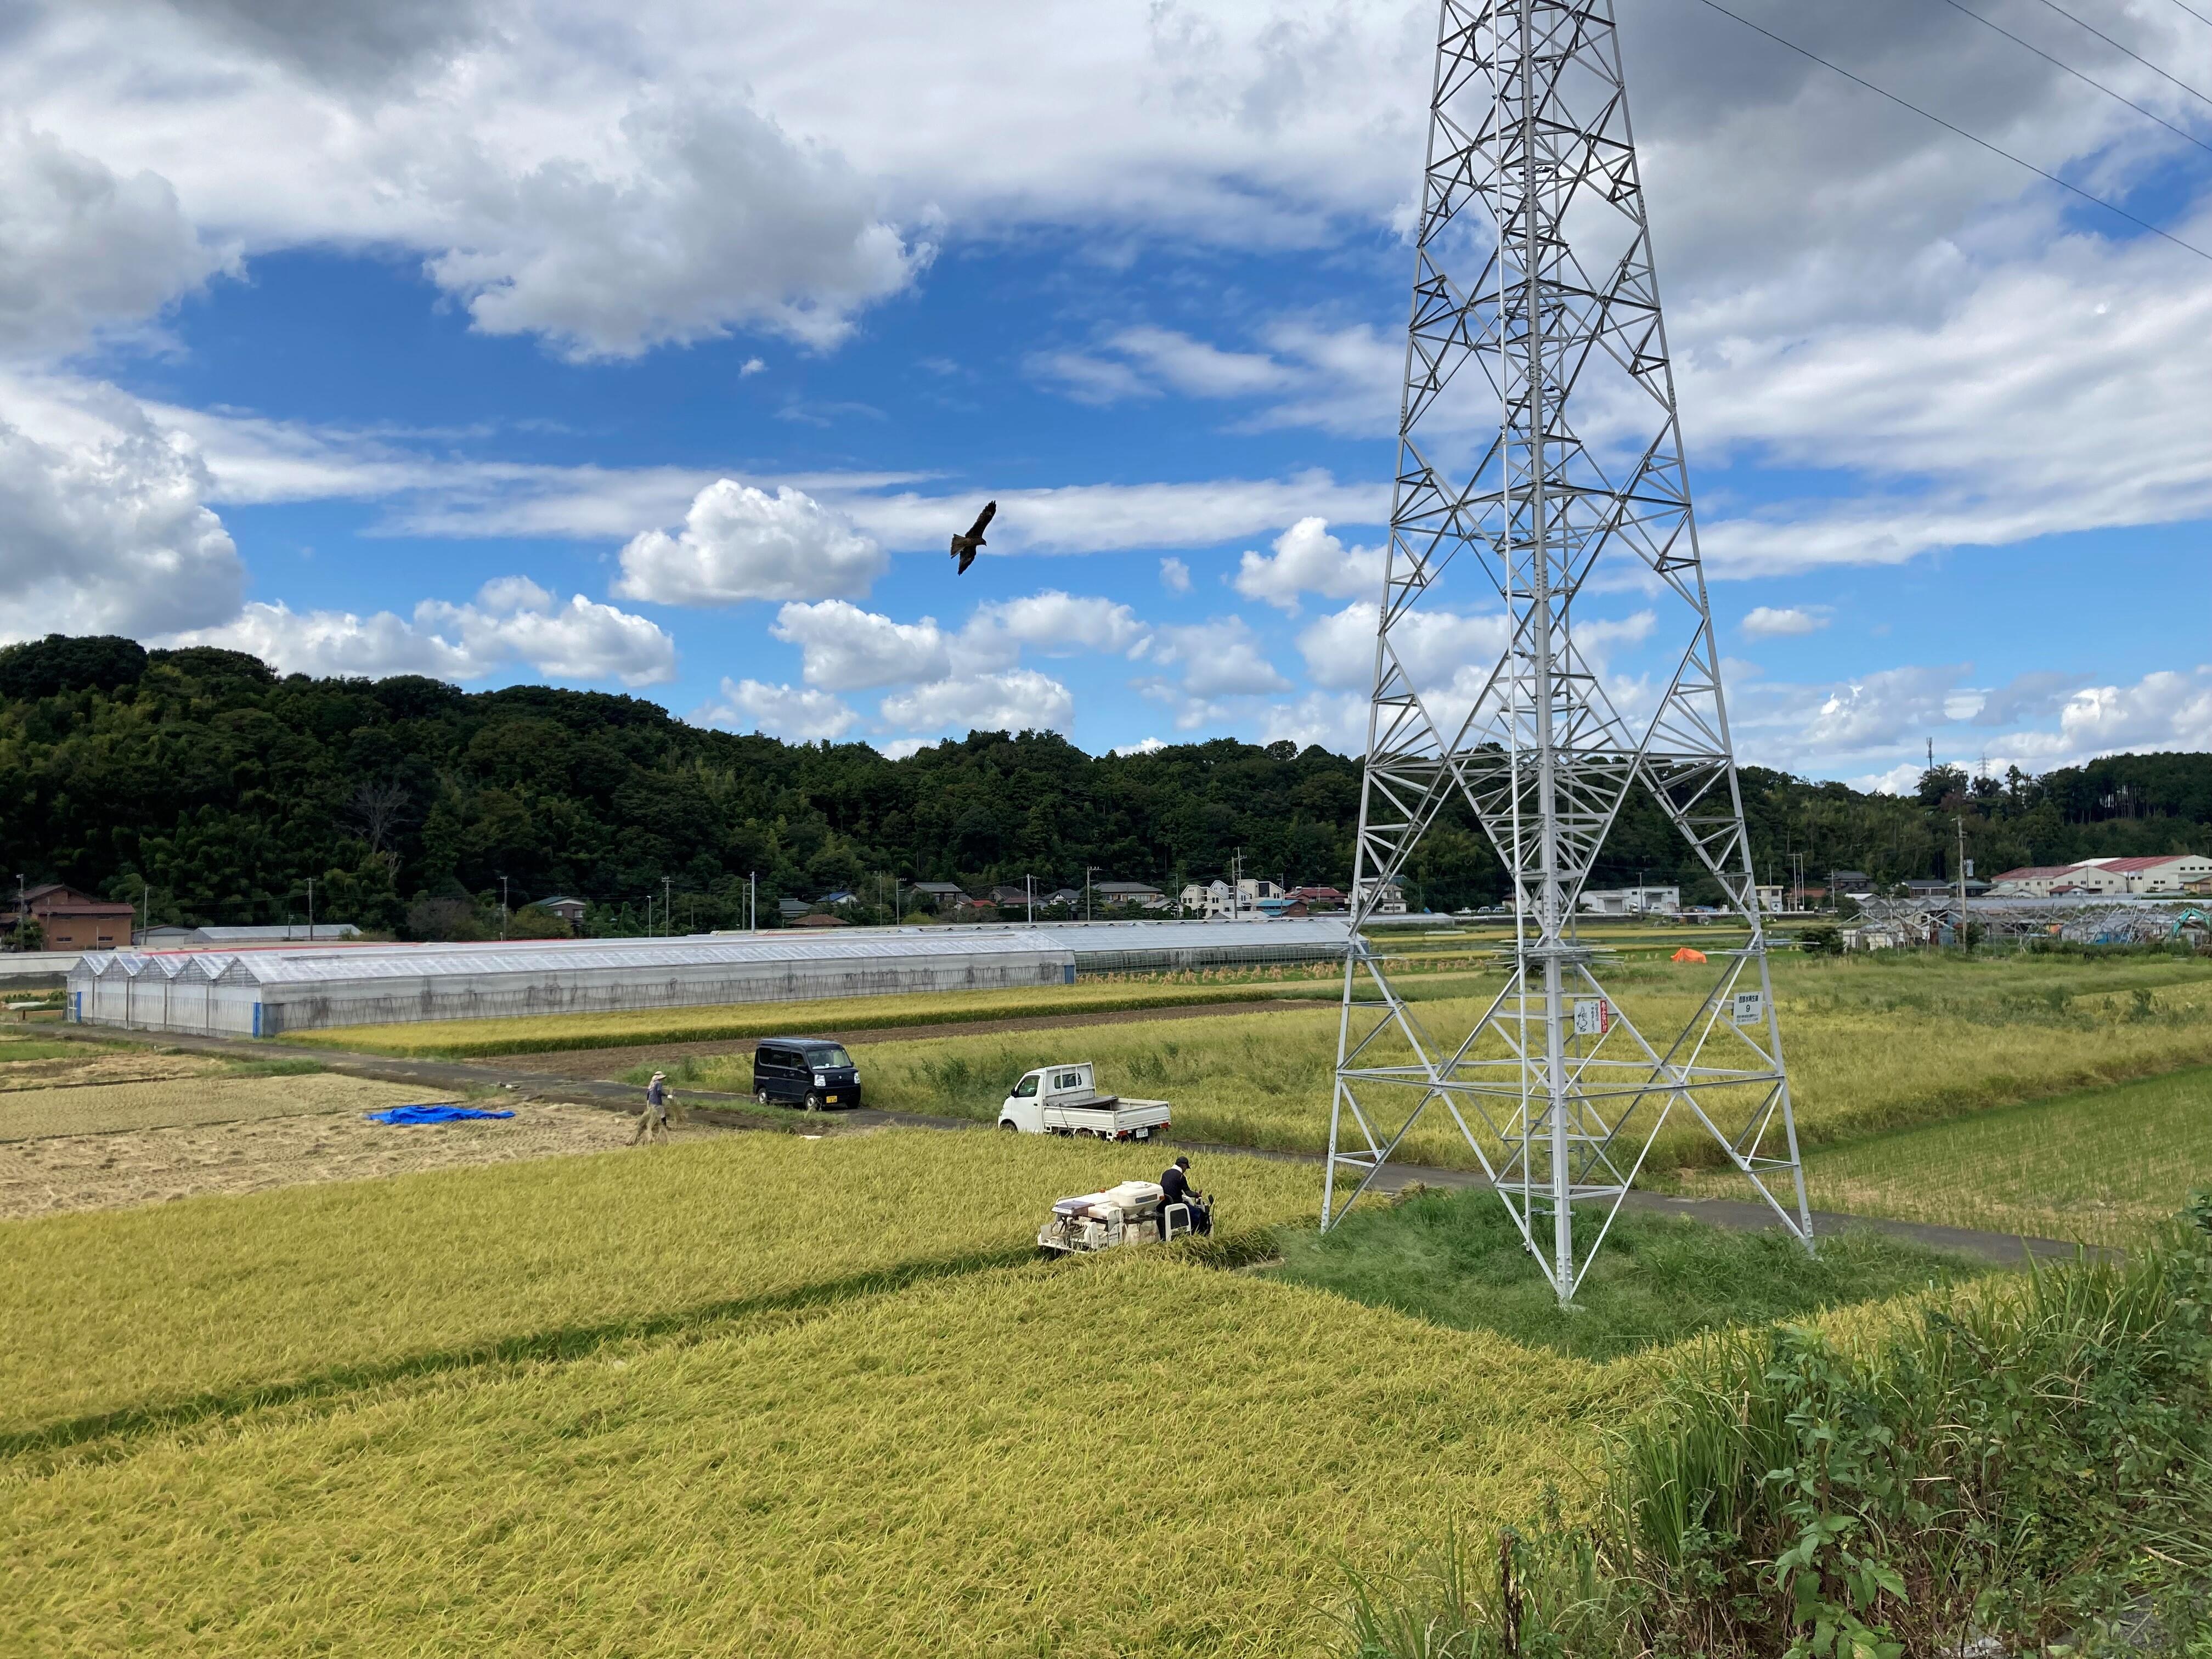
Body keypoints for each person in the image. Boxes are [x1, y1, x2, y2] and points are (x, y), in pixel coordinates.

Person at [1159, 1154, 1210, 1237]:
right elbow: (1188, 1193)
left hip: (1164, 1203)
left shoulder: (1166, 1173)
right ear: (1184, 1166)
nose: (1186, 1170)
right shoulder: (1180, 1176)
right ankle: (1197, 1234)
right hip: (1175, 1204)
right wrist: (1197, 1194)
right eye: (1186, 1167)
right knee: (1197, 1213)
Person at [630, 1070, 673, 1145]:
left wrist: (648, 1102)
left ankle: (652, 1125)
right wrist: (667, 1096)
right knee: (662, 1114)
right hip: (657, 1102)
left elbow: (648, 1093)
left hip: (651, 1102)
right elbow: (659, 1092)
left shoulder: (652, 1084)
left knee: (652, 1115)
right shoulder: (659, 1083)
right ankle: (664, 1127)